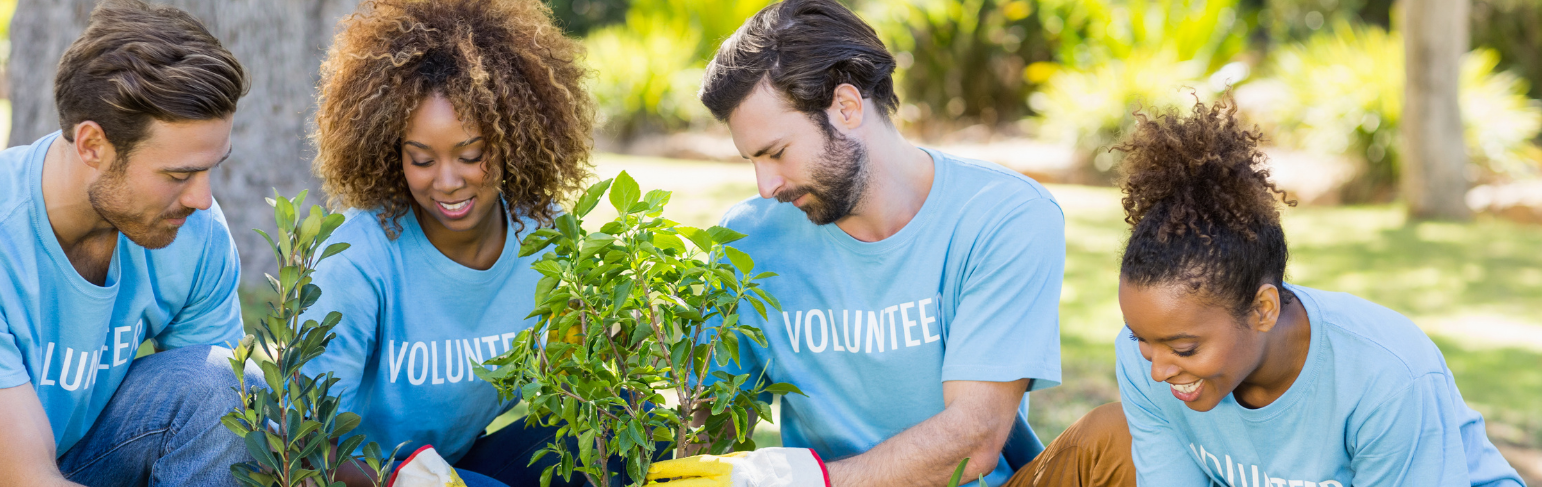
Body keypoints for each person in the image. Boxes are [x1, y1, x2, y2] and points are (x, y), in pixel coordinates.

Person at [645, 1, 1089, 485]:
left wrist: (814, 482)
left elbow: (974, 439)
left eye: (776, 153)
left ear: (847, 107)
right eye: (752, 160)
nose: (765, 186)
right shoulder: (750, 239)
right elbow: (707, 426)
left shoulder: (1004, 216)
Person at [1112, 98, 1525, 486]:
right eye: (1141, 339)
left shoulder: (1385, 374)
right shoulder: (1143, 359)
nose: (1157, 369)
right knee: (1102, 437)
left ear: (1263, 310)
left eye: (1184, 349)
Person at [0, 1, 257, 486]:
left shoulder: (194, 231)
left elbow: (230, 421)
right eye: (178, 174)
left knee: (225, 385)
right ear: (91, 145)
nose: (201, 198)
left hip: (79, 459)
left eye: (211, 167)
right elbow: (28, 480)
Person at [303, 0, 594, 486]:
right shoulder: (358, 260)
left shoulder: (544, 239)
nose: (448, 181)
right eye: (422, 159)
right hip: (360, 477)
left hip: (459, 465)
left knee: (626, 431)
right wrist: (393, 479)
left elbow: (575, 393)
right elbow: (304, 437)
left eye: (471, 154)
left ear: (511, 141)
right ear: (390, 153)